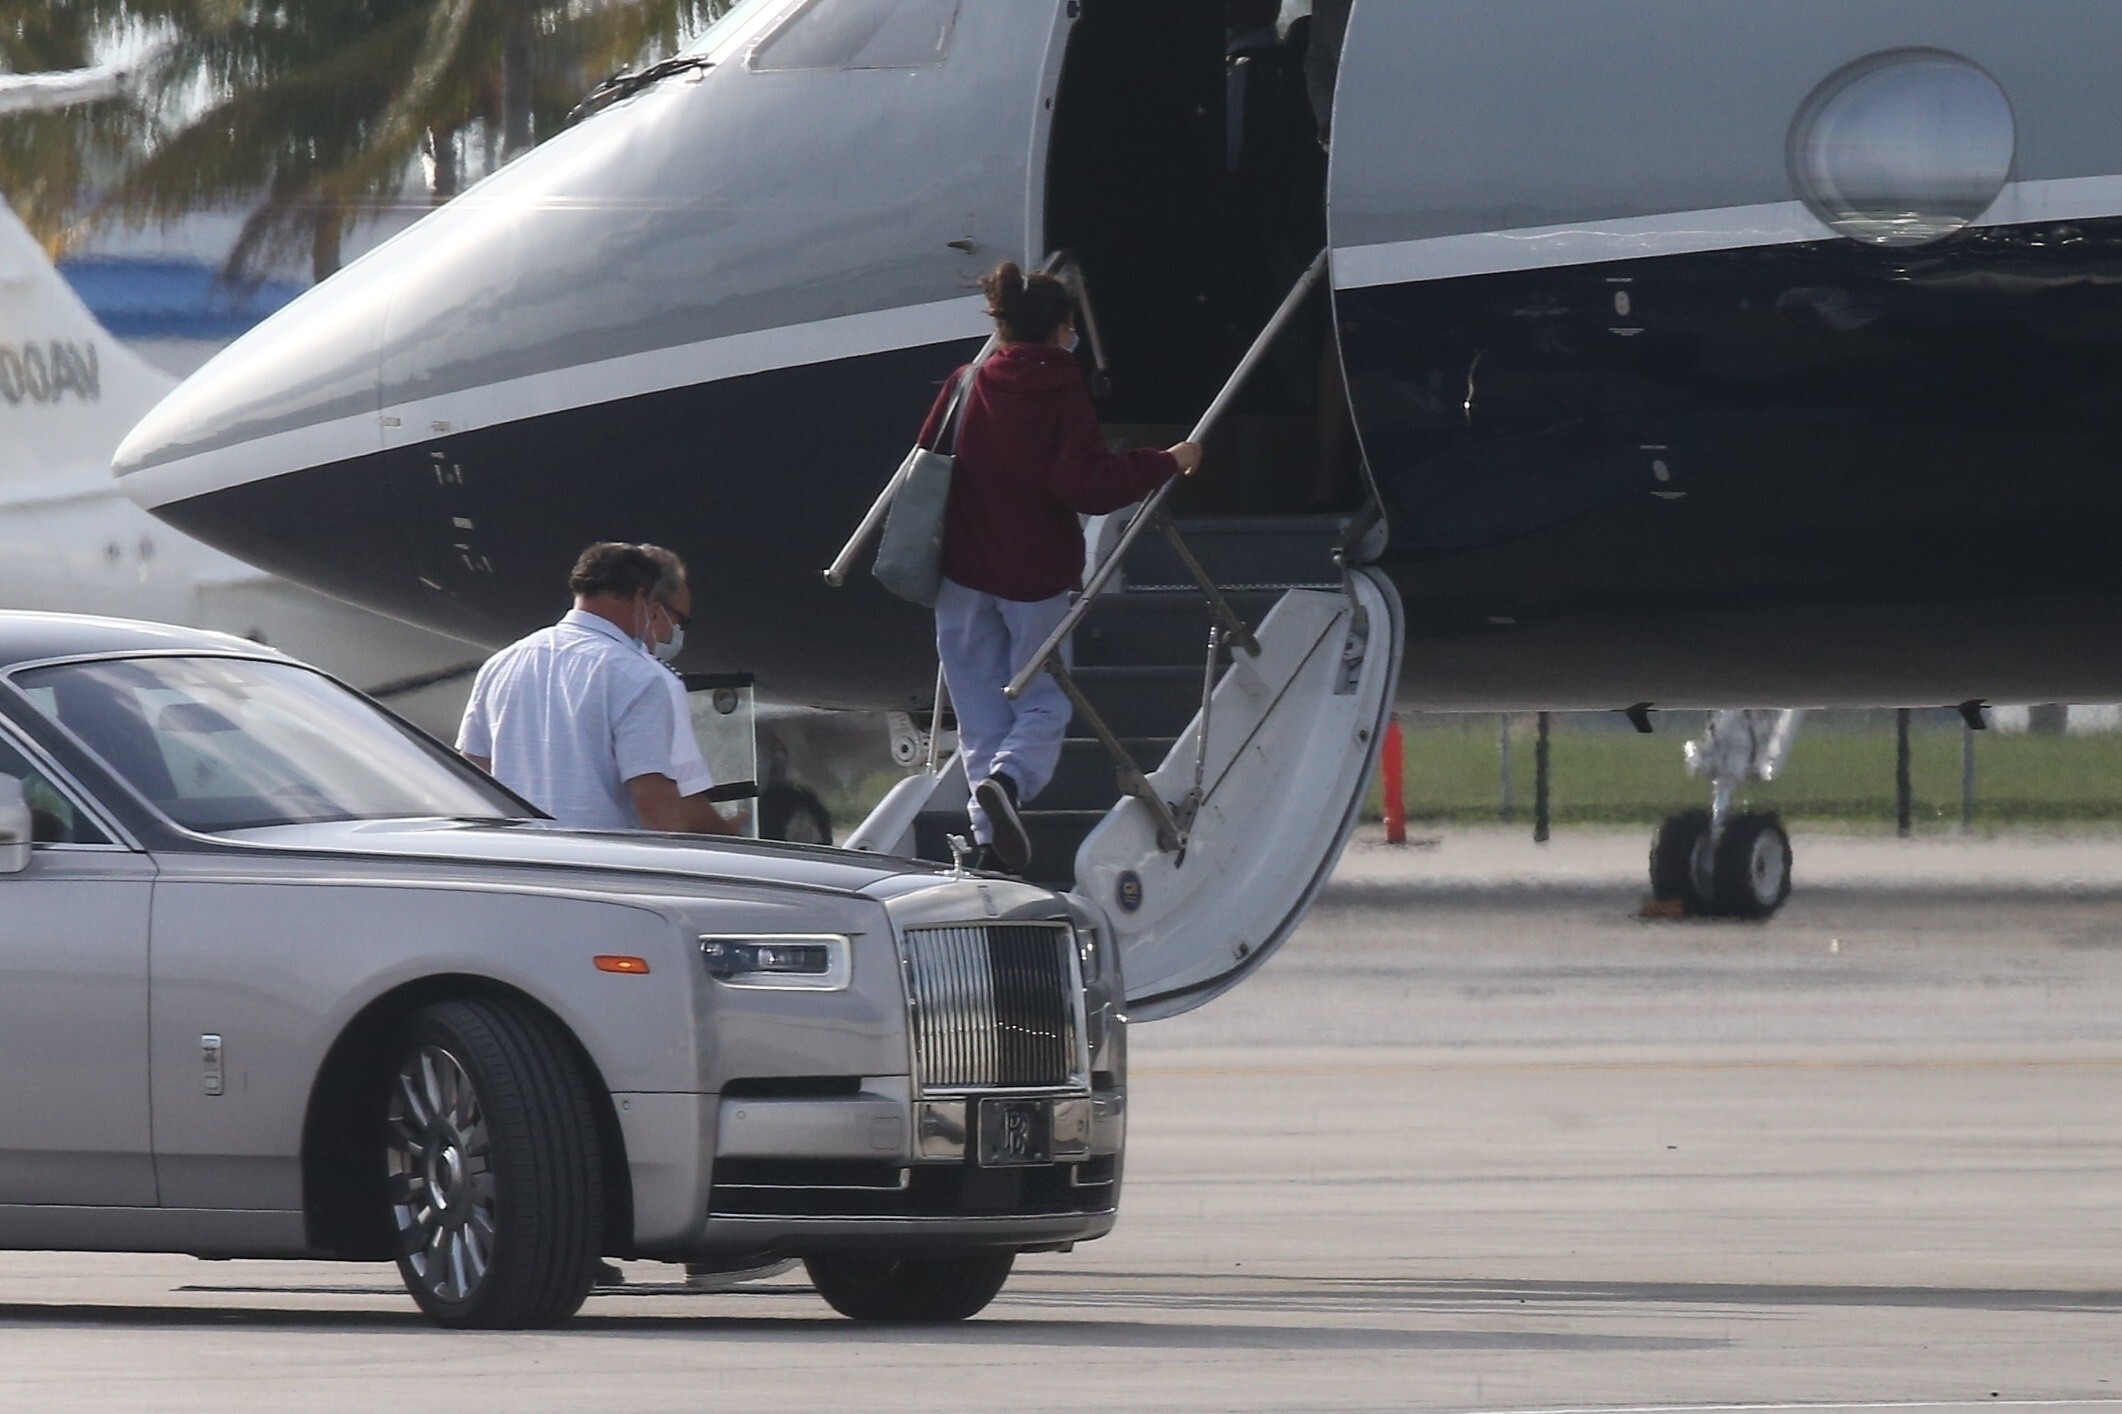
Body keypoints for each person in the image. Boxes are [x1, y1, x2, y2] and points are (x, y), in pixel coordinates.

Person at [918, 262, 1203, 874]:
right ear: (1059, 329)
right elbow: (1085, 485)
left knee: (979, 715)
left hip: (961, 573)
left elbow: (928, 461)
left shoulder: (966, 382)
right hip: (1034, 575)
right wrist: (1165, 460)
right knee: (1043, 704)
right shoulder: (1059, 386)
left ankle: (987, 842)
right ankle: (1009, 783)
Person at [457, 541, 684, 832]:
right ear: (640, 597)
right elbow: (653, 800)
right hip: (601, 855)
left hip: (515, 853)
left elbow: (472, 775)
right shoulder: (638, 677)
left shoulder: (501, 664)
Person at [636, 543, 743, 836]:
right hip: (625, 855)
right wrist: (728, 835)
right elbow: (679, 800)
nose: (679, 632)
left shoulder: (523, 658)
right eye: (680, 620)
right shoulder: (653, 679)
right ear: (655, 613)